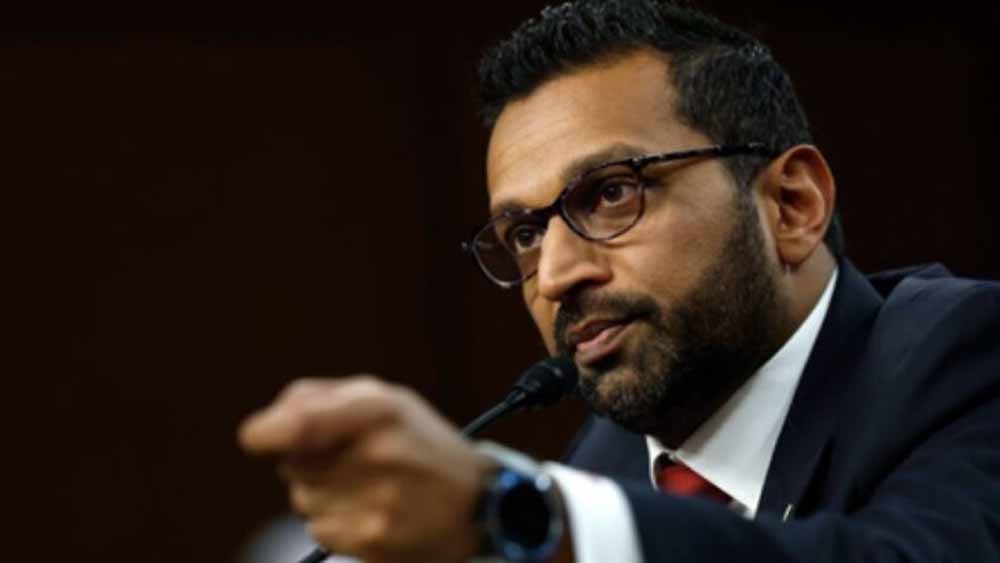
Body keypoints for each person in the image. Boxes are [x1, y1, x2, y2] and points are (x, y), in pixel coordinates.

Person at [238, 1, 1000, 562]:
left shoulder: (966, 359)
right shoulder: (602, 460)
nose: (556, 275)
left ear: (790, 205)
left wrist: (513, 514)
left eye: (610, 193)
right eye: (526, 234)